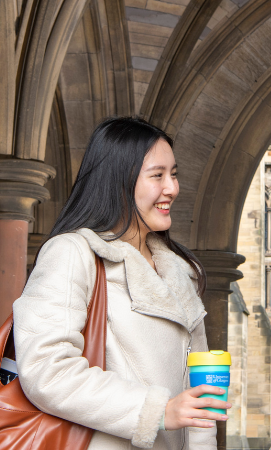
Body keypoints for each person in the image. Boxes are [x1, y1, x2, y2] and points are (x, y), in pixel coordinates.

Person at [12, 117, 230, 450]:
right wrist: (157, 411)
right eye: (157, 175)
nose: (172, 188)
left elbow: (199, 398)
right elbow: (46, 370)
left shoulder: (179, 271)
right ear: (118, 180)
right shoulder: (73, 253)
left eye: (173, 174)